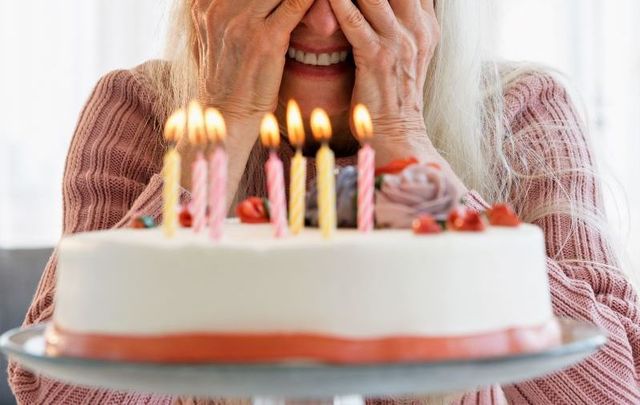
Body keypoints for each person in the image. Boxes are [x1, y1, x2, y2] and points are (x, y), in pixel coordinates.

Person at [8, 0, 640, 403]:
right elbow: (62, 397)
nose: (320, 22)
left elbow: (615, 389)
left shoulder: (522, 110)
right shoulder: (139, 109)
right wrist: (222, 122)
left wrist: (407, 141)